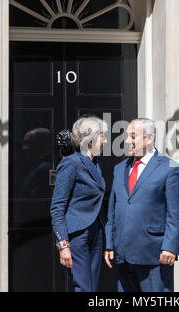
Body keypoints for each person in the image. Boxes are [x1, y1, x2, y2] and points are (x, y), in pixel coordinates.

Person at [104, 118, 179, 292]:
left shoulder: (171, 168)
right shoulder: (119, 169)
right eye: (127, 136)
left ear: (149, 138)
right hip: (123, 254)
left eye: (132, 137)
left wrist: (170, 247)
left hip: (154, 255)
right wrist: (110, 243)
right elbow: (113, 209)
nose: (127, 142)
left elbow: (176, 214)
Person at [50, 116, 108, 292]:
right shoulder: (71, 163)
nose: (105, 140)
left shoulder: (95, 164)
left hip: (96, 232)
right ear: (90, 139)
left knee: (92, 288)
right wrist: (63, 245)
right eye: (102, 136)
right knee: (83, 287)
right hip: (77, 235)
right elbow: (57, 208)